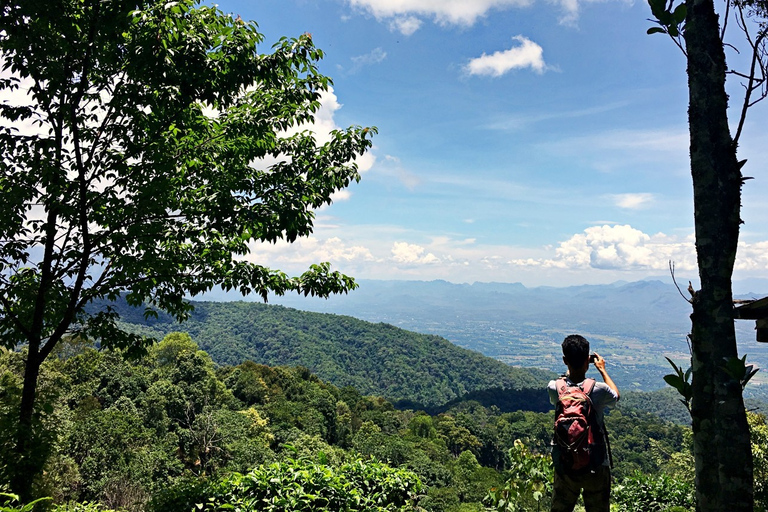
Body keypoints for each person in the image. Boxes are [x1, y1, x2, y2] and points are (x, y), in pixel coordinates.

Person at [547, 334, 620, 512]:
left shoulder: (554, 387)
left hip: (566, 464)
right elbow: (616, 395)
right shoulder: (599, 390)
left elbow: (564, 390)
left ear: (565, 360)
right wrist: (602, 369)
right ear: (588, 359)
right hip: (595, 464)